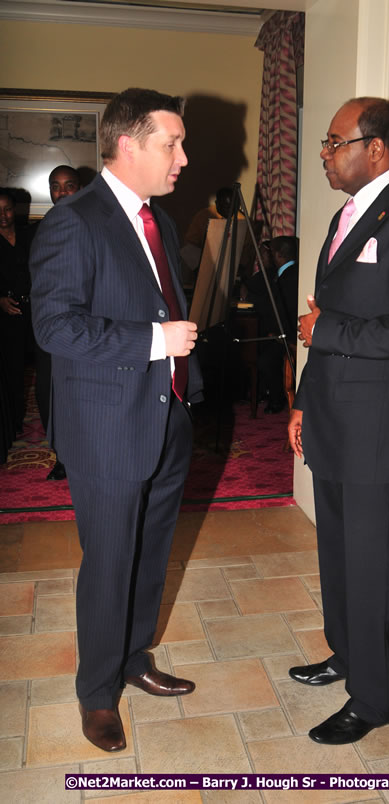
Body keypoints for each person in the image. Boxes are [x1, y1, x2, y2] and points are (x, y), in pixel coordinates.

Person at [30, 88, 202, 753]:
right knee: (109, 563)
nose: (183, 157)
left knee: (150, 557)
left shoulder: (154, 218)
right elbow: (55, 326)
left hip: (165, 419)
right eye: (172, 143)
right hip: (107, 428)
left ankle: (133, 657)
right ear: (127, 144)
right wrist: (155, 341)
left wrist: (186, 391)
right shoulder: (75, 221)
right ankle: (97, 694)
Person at [288, 98, 389, 744]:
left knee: (373, 564)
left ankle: (375, 696)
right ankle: (348, 654)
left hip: (378, 429)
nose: (325, 154)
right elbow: (322, 314)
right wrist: (303, 400)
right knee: (337, 552)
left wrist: (326, 329)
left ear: (376, 149)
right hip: (332, 415)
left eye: (335, 142)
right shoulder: (345, 215)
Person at [34, 166, 82, 480]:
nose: (62, 192)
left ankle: (79, 455)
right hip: (50, 326)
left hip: (84, 326)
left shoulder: (93, 224)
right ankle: (61, 456)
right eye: (56, 186)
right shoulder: (41, 228)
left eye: (69, 186)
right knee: (46, 393)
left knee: (79, 395)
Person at [245, 235, 299, 412]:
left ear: (277, 255)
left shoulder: (288, 278)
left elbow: (282, 311)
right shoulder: (284, 275)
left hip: (288, 335)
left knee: (265, 359)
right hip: (281, 332)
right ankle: (260, 391)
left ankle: (277, 399)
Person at [0, 189, 34, 434]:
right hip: (6, 316)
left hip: (36, 311)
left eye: (7, 209)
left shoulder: (30, 235)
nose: (3, 215)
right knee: (12, 371)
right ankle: (13, 423)